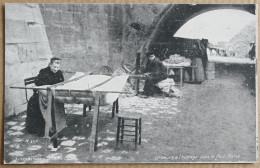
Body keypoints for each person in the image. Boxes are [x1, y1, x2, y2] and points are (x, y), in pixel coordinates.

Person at [26, 57, 64, 136]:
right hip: (40, 94)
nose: (56, 69)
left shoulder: (59, 72)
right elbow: (37, 82)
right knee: (35, 104)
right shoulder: (44, 72)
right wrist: (47, 86)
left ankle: (55, 126)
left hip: (51, 94)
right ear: (50, 65)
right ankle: (41, 129)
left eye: (57, 67)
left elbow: (61, 82)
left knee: (57, 102)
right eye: (54, 67)